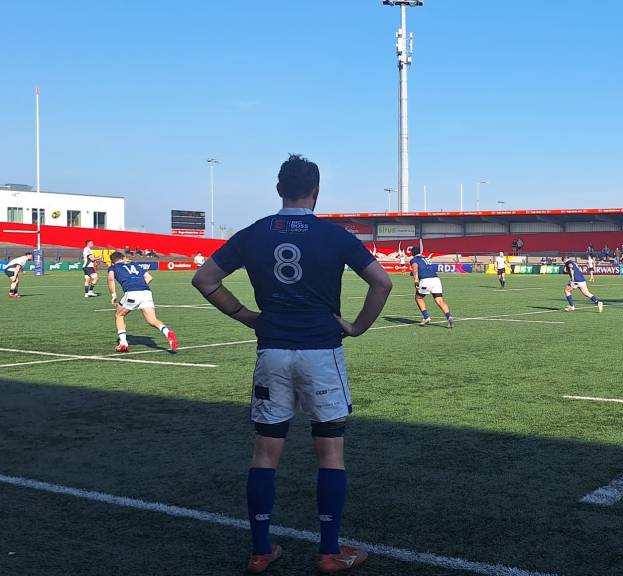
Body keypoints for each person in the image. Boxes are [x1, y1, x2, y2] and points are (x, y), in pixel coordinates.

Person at [191, 154, 392, 574]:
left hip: (273, 352)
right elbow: (382, 282)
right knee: (330, 452)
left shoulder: (254, 233)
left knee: (265, 453)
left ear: (279, 189)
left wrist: (245, 315)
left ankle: (261, 551)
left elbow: (205, 279)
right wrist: (356, 327)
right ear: (316, 191)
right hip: (321, 353)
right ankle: (330, 552)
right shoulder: (334, 235)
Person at [107, 251, 178, 353]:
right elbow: (149, 277)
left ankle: (123, 343)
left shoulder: (113, 268)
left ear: (112, 261)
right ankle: (168, 333)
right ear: (123, 258)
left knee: (119, 315)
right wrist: (139, 285)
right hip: (146, 292)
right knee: (152, 320)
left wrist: (113, 295)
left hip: (132, 293)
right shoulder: (135, 264)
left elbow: (110, 279)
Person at [410, 246, 453, 328]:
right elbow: (425, 268)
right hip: (436, 280)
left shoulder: (414, 259)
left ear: (412, 253)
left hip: (425, 280)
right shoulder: (426, 258)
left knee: (418, 298)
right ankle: (449, 316)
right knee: (440, 301)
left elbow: (415, 268)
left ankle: (426, 317)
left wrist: (416, 280)